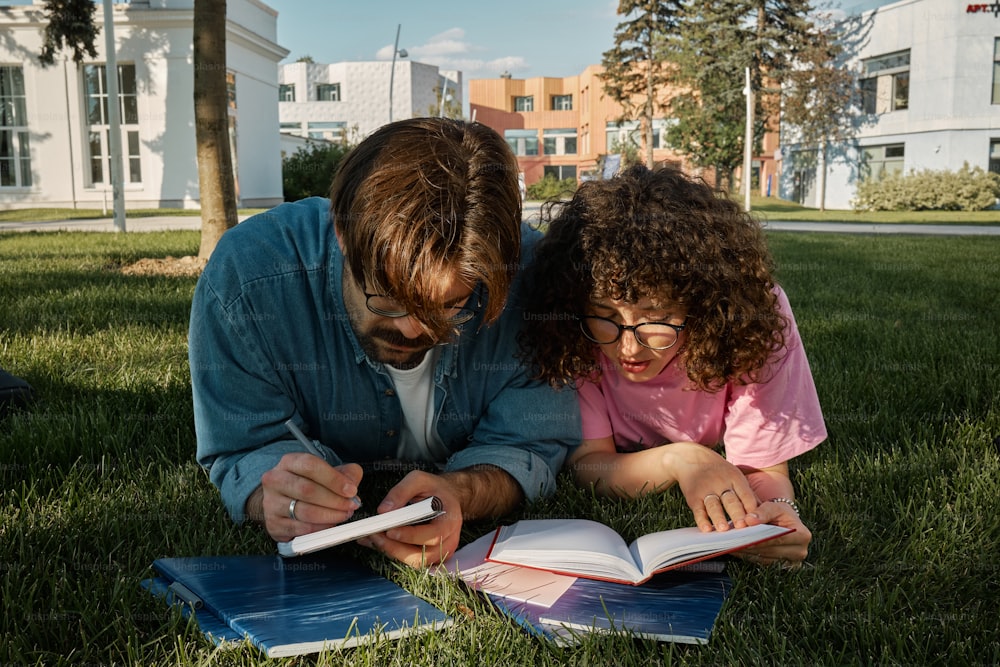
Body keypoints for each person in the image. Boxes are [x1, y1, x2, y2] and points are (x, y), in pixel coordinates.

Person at [189, 118, 580, 567]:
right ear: (341, 233)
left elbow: (531, 445)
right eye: (389, 300)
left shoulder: (534, 283)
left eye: (451, 305)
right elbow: (244, 444)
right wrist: (272, 493)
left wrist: (462, 492)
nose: (414, 331)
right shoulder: (248, 282)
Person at [519, 164, 826, 565]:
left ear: (700, 304)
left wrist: (778, 512)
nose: (627, 345)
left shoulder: (754, 320)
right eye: (605, 313)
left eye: (654, 315)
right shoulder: (576, 330)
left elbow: (762, 467)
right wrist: (681, 459)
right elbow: (589, 465)